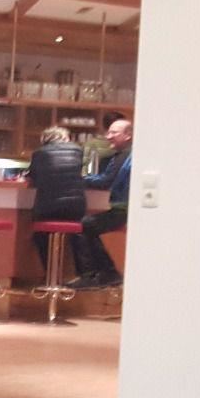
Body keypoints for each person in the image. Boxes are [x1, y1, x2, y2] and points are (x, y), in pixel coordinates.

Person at [73, 119, 133, 288]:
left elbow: (105, 182)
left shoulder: (124, 156)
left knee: (84, 226)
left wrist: (81, 179)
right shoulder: (124, 155)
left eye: (114, 133)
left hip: (124, 210)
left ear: (128, 135)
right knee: (88, 226)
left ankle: (94, 275)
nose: (108, 136)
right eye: (109, 132)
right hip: (124, 209)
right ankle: (108, 272)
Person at [24, 126, 86, 272]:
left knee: (40, 236)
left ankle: (50, 275)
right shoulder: (77, 151)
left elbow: (34, 177)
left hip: (48, 207)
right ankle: (82, 275)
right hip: (76, 207)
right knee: (79, 235)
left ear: (45, 140)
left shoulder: (39, 153)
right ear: (65, 138)